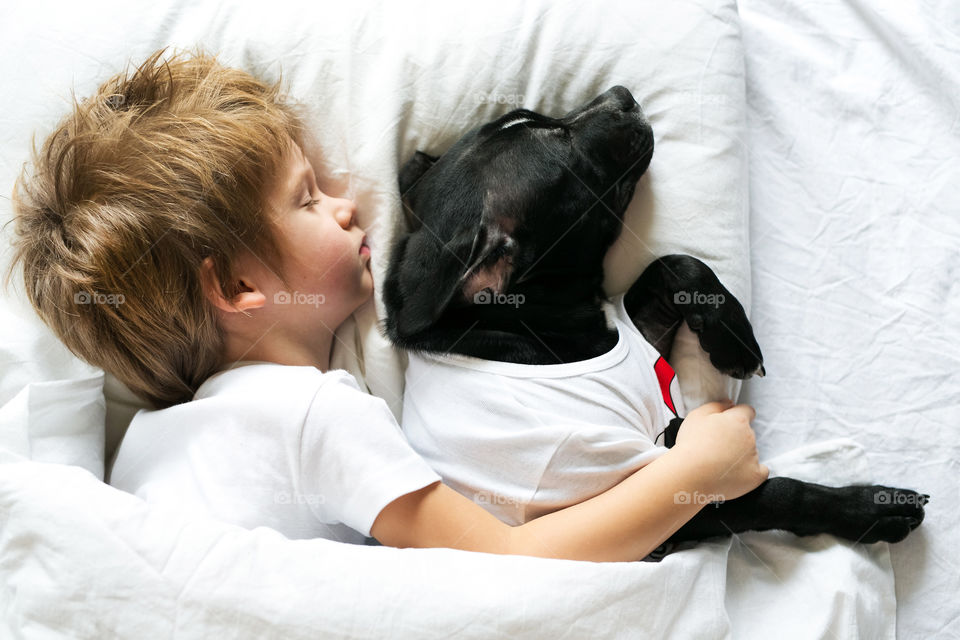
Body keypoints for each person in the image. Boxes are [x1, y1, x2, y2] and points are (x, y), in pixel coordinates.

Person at [7, 47, 768, 562]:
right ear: (238, 289)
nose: (345, 205)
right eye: (306, 199)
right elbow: (510, 566)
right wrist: (697, 470)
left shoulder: (144, 443)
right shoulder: (311, 414)